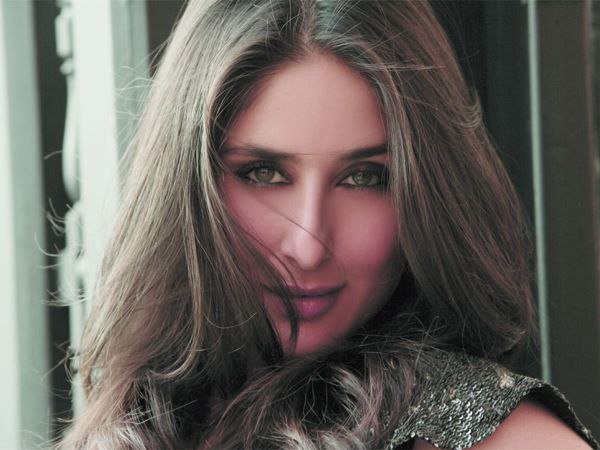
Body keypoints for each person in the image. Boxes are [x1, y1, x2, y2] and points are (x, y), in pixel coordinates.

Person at [59, 0, 598, 448]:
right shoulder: (137, 422)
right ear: (187, 186)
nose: (308, 244)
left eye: (364, 178)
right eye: (264, 173)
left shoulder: (506, 438)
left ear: (426, 194)